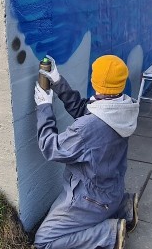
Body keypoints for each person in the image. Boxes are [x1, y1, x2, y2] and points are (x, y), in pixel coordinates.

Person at [33, 55, 140, 249]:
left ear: (95, 81)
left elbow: (50, 148)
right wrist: (57, 82)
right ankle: (124, 207)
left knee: (44, 241)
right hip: (112, 190)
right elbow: (85, 109)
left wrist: (43, 107)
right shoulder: (123, 106)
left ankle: (109, 234)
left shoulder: (88, 128)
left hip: (91, 199)